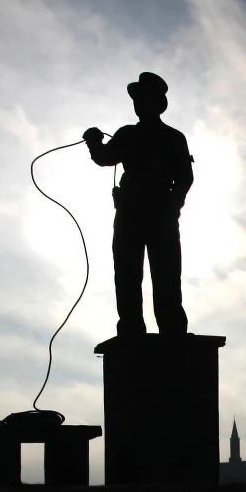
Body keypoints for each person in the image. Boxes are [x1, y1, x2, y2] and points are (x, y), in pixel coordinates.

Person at [83, 72, 194, 336]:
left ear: (156, 103)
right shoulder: (128, 135)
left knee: (165, 273)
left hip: (158, 213)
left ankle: (171, 329)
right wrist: (93, 142)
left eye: (142, 98)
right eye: (136, 98)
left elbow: (185, 178)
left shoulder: (172, 138)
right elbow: (105, 157)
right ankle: (134, 326)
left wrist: (172, 206)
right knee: (127, 272)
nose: (137, 103)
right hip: (133, 212)